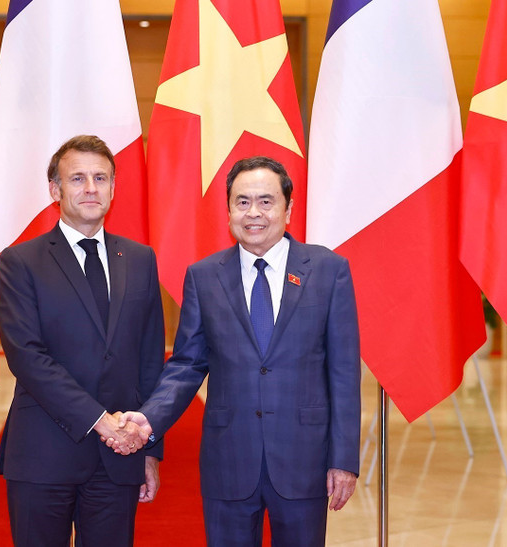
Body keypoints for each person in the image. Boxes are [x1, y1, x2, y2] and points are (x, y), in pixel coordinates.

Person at [109, 156, 361, 546]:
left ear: (288, 209)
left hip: (303, 460)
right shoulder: (204, 276)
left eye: (266, 201)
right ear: (228, 210)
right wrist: (148, 419)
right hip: (228, 460)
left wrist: (343, 459)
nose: (254, 213)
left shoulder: (329, 270)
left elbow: (344, 373)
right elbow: (187, 365)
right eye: (242, 202)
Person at [0, 135, 165, 547]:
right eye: (78, 179)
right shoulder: (20, 262)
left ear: (113, 188)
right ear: (55, 190)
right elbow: (28, 357)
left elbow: (150, 361)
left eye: (101, 178)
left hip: (120, 459)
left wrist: (151, 449)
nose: (91, 188)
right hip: (43, 454)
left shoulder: (140, 259)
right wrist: (100, 420)